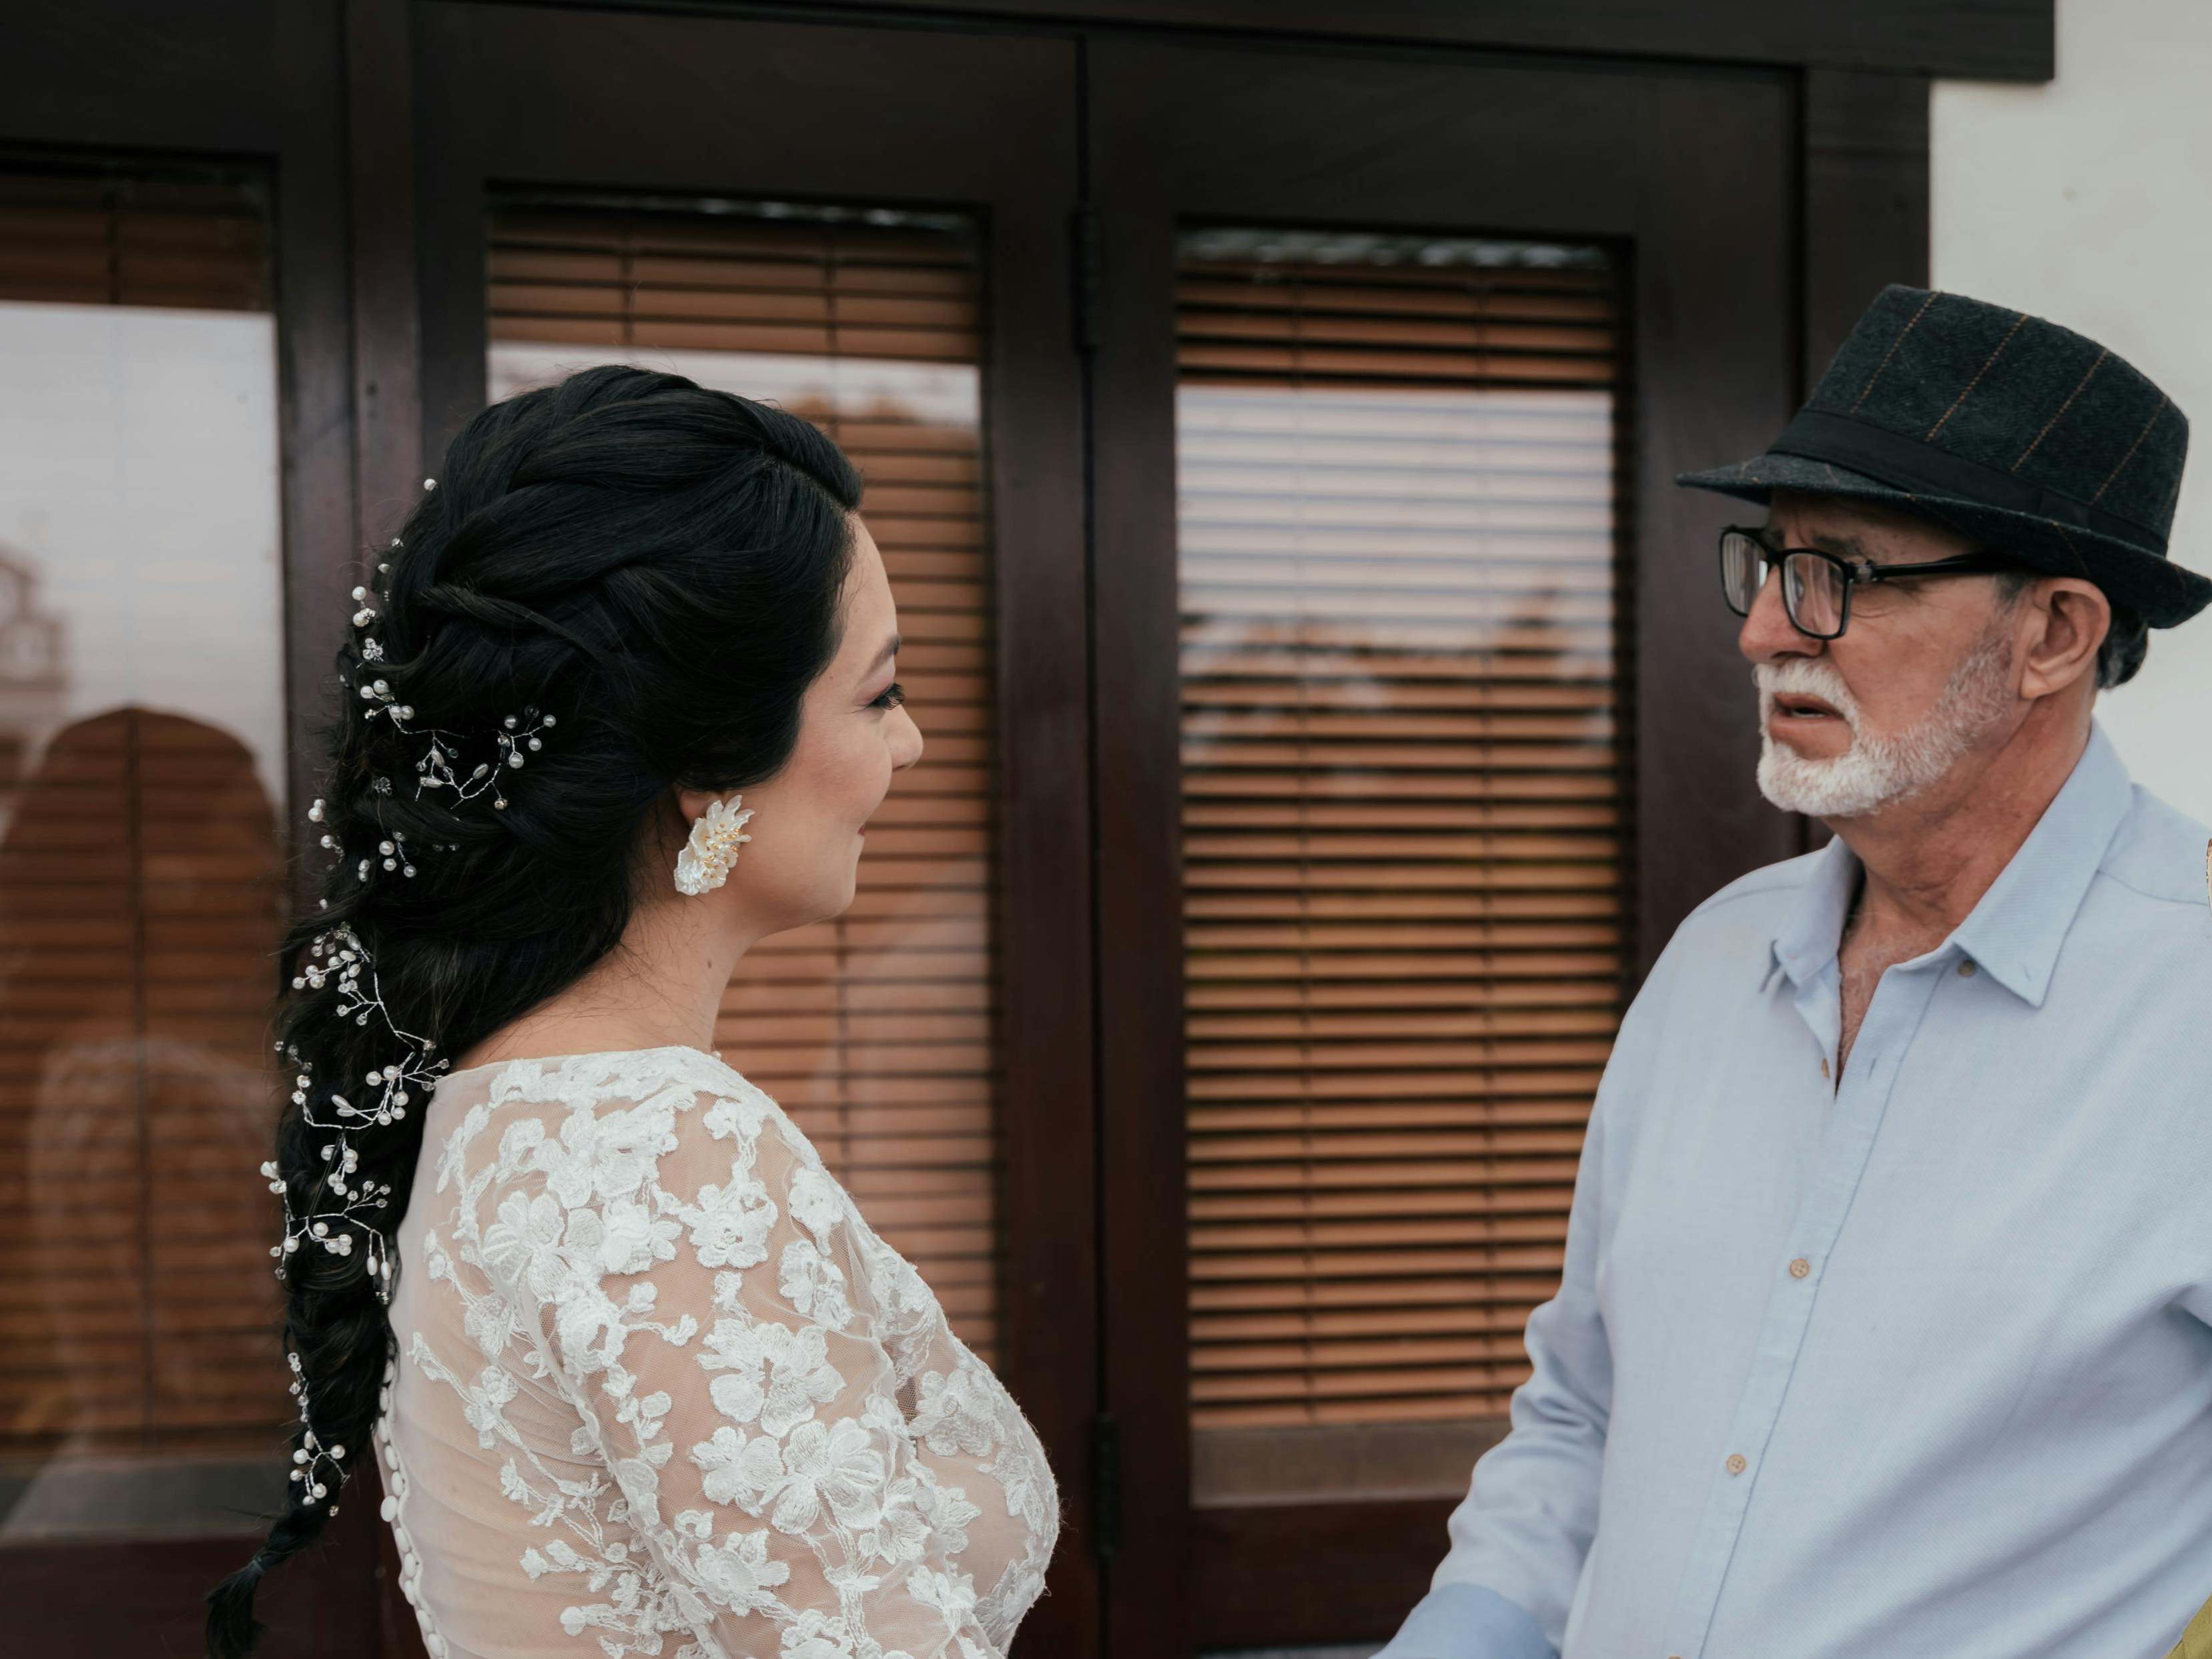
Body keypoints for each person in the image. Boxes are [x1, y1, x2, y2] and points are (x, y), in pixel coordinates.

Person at [1376, 286, 2212, 1658]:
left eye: (1837, 574)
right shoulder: (1714, 958)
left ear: (2053, 634)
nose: (1764, 629)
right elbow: (1583, 1408)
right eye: (1765, 564)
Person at [206, 368, 1058, 1658]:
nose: (916, 743)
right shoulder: (658, 1148)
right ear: (710, 761)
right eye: (878, 695)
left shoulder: (499, 1103)